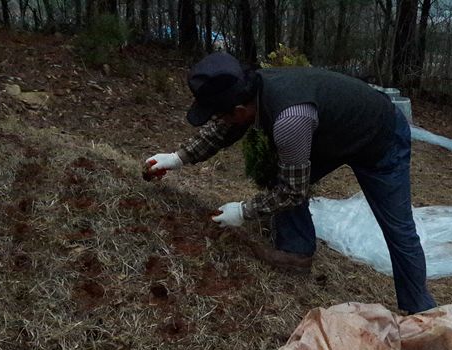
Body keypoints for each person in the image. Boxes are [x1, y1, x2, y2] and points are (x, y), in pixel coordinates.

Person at [144, 52, 436, 314]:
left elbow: (292, 192)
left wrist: (243, 211)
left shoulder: (289, 119)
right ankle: (297, 251)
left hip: (380, 139)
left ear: (239, 110)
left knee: (398, 229)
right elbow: (223, 129)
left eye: (221, 114)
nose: (219, 120)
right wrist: (177, 158)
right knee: (282, 173)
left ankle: (421, 312)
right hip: (331, 132)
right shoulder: (252, 91)